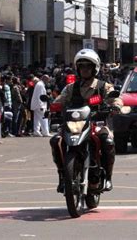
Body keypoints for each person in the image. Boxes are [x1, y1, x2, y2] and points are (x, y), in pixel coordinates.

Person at [49, 49, 123, 193]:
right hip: (74, 124)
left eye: (88, 66)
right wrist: (51, 107)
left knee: (107, 142)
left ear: (94, 68)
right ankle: (62, 175)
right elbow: (60, 101)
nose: (85, 69)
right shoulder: (71, 88)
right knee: (55, 141)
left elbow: (115, 98)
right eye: (82, 66)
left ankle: (107, 177)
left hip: (97, 124)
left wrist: (116, 106)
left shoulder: (103, 86)